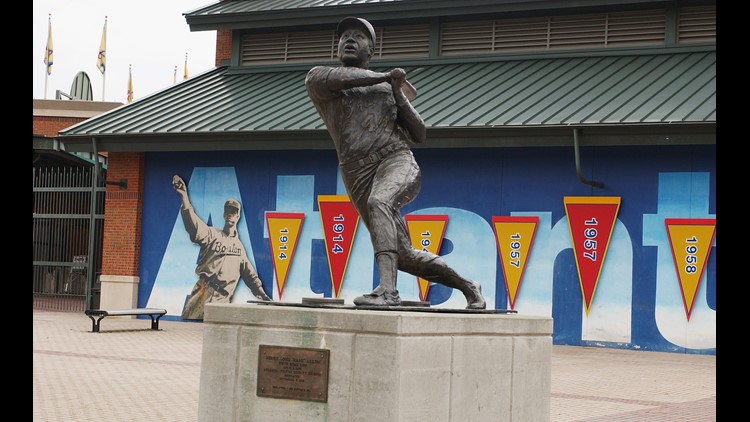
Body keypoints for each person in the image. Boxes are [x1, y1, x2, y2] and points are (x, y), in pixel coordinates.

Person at [305, 17, 486, 309]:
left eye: (358, 37)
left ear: (370, 51)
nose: (349, 40)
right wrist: (387, 79)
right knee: (403, 256)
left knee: (380, 203)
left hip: (395, 160)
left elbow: (419, 133)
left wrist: (398, 95)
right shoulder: (320, 79)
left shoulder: (389, 90)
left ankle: (387, 292)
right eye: (345, 36)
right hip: (357, 174)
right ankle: (469, 286)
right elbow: (344, 78)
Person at [172, 175, 271, 320]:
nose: (231, 214)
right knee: (189, 330)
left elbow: (250, 276)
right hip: (203, 292)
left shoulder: (239, 247)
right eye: (228, 211)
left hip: (223, 299)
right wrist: (184, 198)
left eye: (234, 211)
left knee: (215, 334)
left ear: (238, 216)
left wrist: (263, 296)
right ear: (224, 214)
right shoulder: (212, 234)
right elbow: (194, 226)